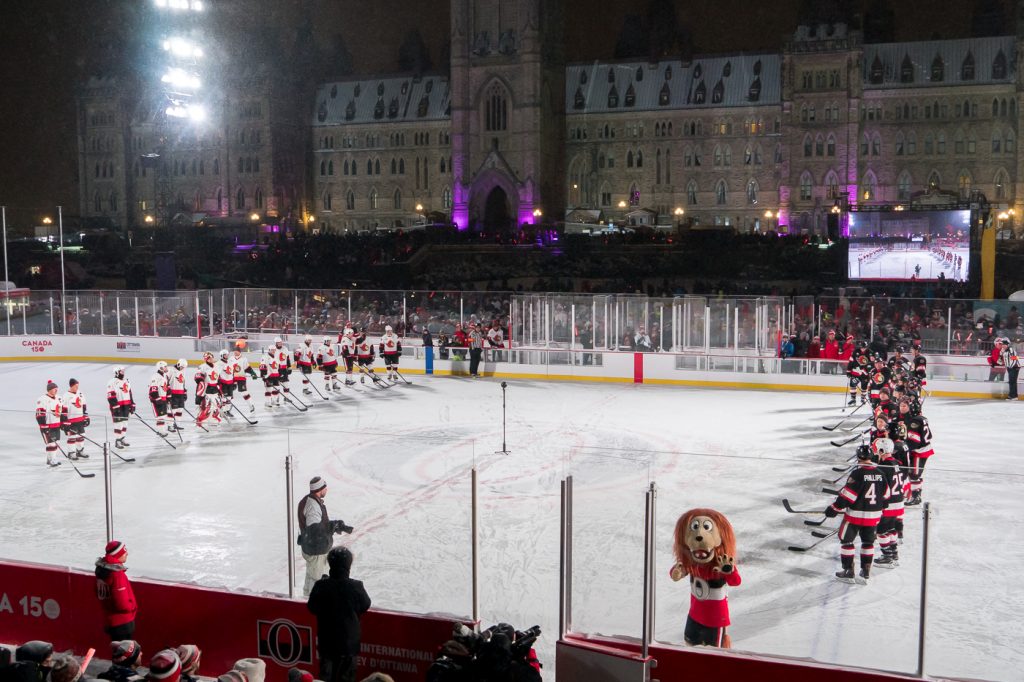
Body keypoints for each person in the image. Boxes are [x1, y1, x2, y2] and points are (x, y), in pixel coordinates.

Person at [307, 547, 371, 682]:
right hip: (349, 646)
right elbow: (365, 605)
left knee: (326, 678)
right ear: (349, 565)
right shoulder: (356, 586)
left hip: (327, 644)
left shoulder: (321, 586)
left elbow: (312, 607)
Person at [824, 444, 886, 583]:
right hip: (874, 517)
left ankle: (848, 571)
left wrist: (833, 509)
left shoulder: (857, 473)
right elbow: (886, 497)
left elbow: (847, 496)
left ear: (858, 457)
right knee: (868, 542)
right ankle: (866, 572)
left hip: (854, 517)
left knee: (846, 541)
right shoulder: (881, 473)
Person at [298, 476, 354, 596]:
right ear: (320, 489)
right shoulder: (313, 506)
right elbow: (314, 529)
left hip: (312, 548)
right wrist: (332, 526)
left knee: (311, 578)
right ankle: (313, 607)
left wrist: (335, 525)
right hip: (316, 551)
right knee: (317, 581)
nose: (326, 490)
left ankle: (305, 602)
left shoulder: (310, 501)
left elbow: (318, 526)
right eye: (325, 488)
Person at [95, 540, 138, 640]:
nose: (127, 553)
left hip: (110, 619)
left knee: (117, 650)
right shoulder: (117, 574)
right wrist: (132, 606)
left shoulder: (101, 571)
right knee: (125, 652)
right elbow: (121, 604)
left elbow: (98, 593)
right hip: (123, 623)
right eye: (124, 552)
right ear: (118, 555)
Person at [35, 380, 64, 468]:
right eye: (54, 389)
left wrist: (63, 422)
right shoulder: (42, 399)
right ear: (50, 389)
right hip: (48, 425)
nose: (56, 390)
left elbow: (61, 412)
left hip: (56, 425)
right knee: (50, 444)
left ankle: (51, 459)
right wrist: (43, 426)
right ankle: (52, 459)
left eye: (57, 389)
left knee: (56, 442)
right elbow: (39, 414)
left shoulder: (59, 398)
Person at [106, 366, 135, 449]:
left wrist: (132, 404)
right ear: (116, 372)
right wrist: (115, 406)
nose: (123, 373)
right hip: (117, 406)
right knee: (118, 424)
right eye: (121, 371)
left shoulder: (126, 381)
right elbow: (110, 395)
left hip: (126, 405)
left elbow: (130, 393)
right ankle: (117, 441)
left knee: (125, 423)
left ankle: (122, 438)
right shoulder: (112, 382)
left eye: (123, 371)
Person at [62, 378, 89, 459]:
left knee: (81, 435)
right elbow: (63, 410)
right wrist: (65, 422)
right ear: (72, 385)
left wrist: (86, 416)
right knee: (72, 437)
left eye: (78, 386)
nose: (77, 387)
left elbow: (84, 406)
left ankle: (80, 451)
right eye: (76, 386)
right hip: (71, 421)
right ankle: (71, 452)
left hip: (80, 419)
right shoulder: (66, 396)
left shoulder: (80, 393)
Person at [230, 345, 258, 413]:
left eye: (236, 351)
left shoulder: (244, 359)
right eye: (234, 351)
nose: (235, 353)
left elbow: (247, 368)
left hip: (241, 378)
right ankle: (228, 409)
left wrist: (253, 373)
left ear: (239, 352)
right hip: (232, 378)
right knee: (229, 393)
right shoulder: (230, 358)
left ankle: (251, 406)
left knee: (244, 393)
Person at [148, 362, 170, 437]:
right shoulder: (155, 376)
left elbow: (165, 388)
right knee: (160, 416)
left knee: (163, 415)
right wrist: (157, 399)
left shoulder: (164, 376)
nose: (167, 368)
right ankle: (161, 431)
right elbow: (153, 390)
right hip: (157, 400)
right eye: (165, 367)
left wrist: (168, 397)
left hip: (163, 399)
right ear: (161, 368)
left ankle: (162, 430)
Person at [214, 350, 236, 418]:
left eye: (227, 354)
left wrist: (234, 382)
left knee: (229, 398)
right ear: (221, 355)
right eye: (225, 355)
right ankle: (222, 411)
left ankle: (227, 411)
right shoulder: (218, 363)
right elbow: (215, 374)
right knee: (223, 398)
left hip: (230, 382)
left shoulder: (230, 362)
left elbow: (233, 372)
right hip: (223, 383)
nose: (226, 356)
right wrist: (217, 382)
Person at [168, 360, 189, 429]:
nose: (183, 368)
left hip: (180, 394)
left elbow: (183, 383)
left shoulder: (183, 372)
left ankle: (177, 424)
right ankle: (170, 425)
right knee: (173, 410)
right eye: (182, 367)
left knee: (180, 409)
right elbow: (166, 382)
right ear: (178, 364)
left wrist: (184, 392)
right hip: (173, 394)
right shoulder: (171, 371)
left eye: (184, 367)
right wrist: (168, 393)